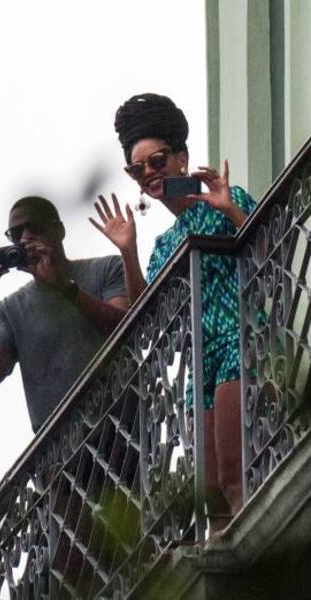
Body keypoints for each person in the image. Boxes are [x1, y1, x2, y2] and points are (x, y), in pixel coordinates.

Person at [89, 93, 256, 534]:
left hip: (236, 341)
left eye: (157, 159)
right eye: (137, 168)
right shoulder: (163, 246)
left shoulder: (225, 199)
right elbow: (147, 321)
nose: (149, 172)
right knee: (211, 494)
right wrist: (128, 251)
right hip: (198, 363)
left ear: (181, 158)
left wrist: (230, 209)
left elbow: (266, 249)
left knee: (234, 473)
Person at [0, 195, 128, 433]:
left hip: (121, 425)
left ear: (59, 230)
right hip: (58, 452)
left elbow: (124, 329)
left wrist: (63, 286)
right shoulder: (9, 310)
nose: (25, 238)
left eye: (35, 227)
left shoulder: (107, 269)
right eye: (16, 234)